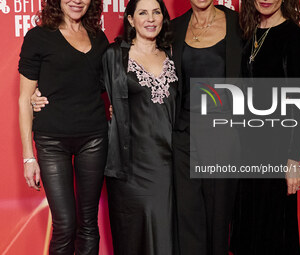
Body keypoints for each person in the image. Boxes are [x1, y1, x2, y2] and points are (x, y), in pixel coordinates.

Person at [18, 0, 108, 254]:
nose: (77, 0)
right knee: (65, 224)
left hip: (94, 138)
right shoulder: (38, 37)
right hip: (51, 141)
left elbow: (106, 85)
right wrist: (28, 158)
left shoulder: (98, 38)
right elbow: (25, 99)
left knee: (89, 223)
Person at [230, 0, 300, 254]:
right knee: (248, 232)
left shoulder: (293, 38)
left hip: (275, 151)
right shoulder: (250, 32)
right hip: (245, 151)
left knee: (273, 234)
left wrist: (294, 158)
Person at [102, 0, 177, 254]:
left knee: (166, 235)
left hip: (169, 165)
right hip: (130, 167)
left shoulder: (173, 54)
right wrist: (38, 95)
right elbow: (82, 90)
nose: (150, 18)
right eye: (142, 13)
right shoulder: (114, 56)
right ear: (131, 20)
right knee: (134, 238)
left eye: (156, 12)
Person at [171, 0, 243, 254]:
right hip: (184, 134)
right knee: (187, 214)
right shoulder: (175, 27)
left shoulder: (238, 23)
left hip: (223, 131)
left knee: (219, 215)